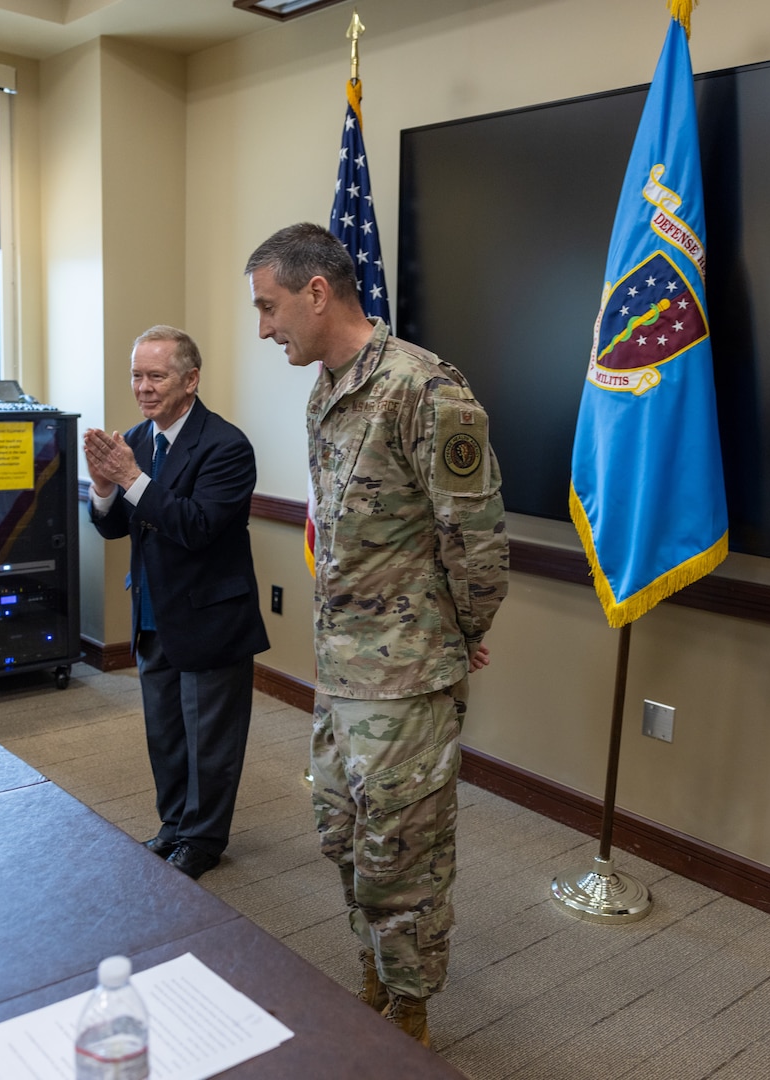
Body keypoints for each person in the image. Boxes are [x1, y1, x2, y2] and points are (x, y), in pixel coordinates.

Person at [245, 224, 509, 1045]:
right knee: (341, 833)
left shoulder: (426, 391)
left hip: (404, 678)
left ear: (316, 292)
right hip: (342, 670)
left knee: (403, 855)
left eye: (269, 306)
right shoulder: (327, 389)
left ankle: (411, 1014)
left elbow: (478, 541)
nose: (263, 328)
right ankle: (374, 976)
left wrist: (453, 635)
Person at [84, 325, 270, 880]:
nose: (143, 387)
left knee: (209, 741)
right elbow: (116, 526)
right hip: (152, 613)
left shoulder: (226, 445)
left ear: (190, 380)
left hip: (212, 617)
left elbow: (198, 527)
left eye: (156, 375)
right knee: (165, 732)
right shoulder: (137, 440)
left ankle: (204, 839)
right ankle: (173, 826)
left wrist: (131, 478)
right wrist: (101, 486)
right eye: (137, 375)